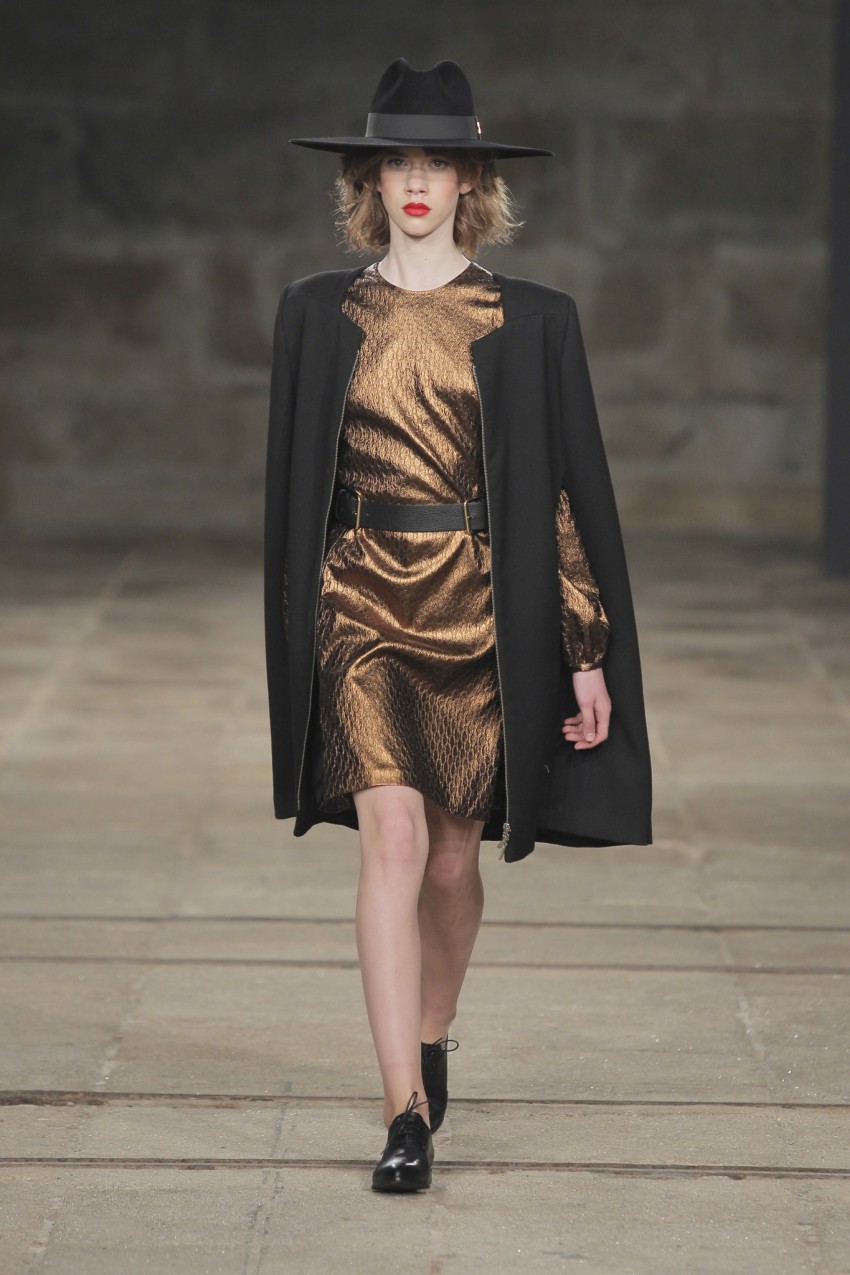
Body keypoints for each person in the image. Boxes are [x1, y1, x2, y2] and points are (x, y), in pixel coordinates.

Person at [264, 58, 652, 1193]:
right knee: (390, 841)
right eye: (398, 163)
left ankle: (432, 1035)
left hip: (483, 607)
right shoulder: (317, 313)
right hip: (360, 603)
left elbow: (564, 498)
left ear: (472, 180)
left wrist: (585, 650)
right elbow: (292, 488)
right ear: (370, 182)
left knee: (447, 858)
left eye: (438, 162)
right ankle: (403, 1112)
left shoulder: (531, 320)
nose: (418, 181)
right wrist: (298, 626)